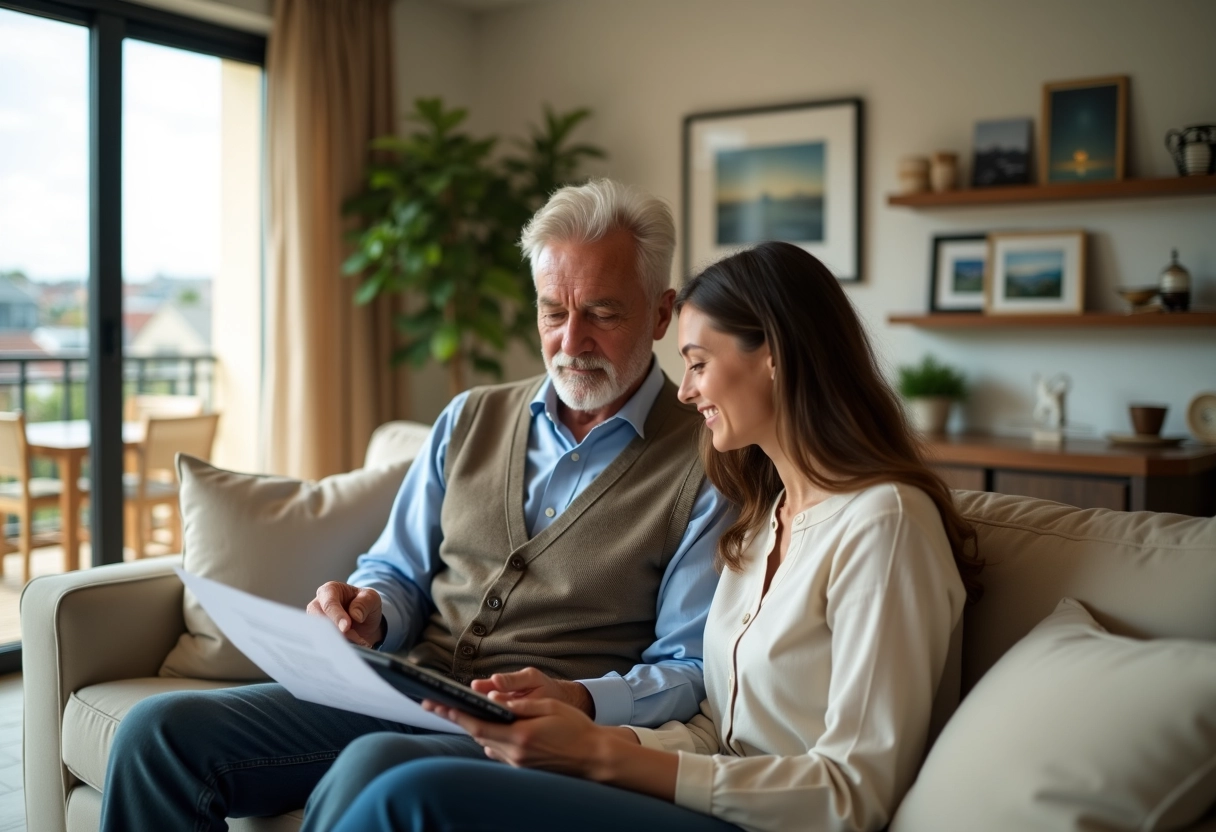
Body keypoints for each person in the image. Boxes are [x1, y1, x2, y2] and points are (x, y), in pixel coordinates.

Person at [99, 179, 734, 831]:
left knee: (370, 769)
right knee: (159, 733)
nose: (571, 341)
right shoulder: (470, 417)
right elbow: (396, 571)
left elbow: (688, 668)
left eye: (601, 313)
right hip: (399, 688)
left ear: (661, 314)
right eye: (552, 312)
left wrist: (579, 698)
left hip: (528, 730)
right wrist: (369, 610)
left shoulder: (708, 460)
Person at [325, 241, 984, 832]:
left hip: (771, 820)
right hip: (705, 794)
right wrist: (584, 737)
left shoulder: (884, 525)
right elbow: (716, 730)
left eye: (698, 363)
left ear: (775, 358)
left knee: (415, 794)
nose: (688, 391)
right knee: (381, 758)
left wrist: (603, 754)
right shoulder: (763, 519)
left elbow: (853, 794)